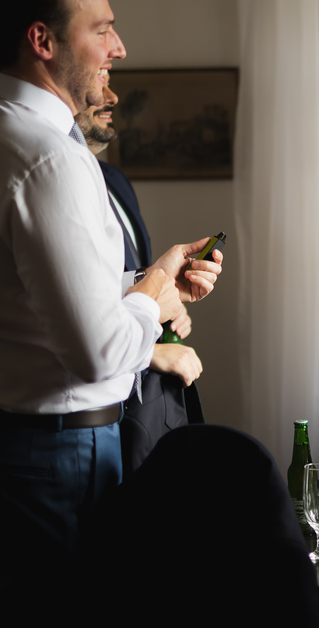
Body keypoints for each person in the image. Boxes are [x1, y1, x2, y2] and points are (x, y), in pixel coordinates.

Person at [0, 0, 223, 624]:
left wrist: (145, 281)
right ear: (43, 40)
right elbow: (96, 353)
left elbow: (17, 295)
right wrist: (153, 288)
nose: (119, 47)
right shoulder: (48, 158)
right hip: (54, 456)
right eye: (103, 29)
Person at [76, 84, 205, 476]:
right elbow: (72, 306)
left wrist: (168, 301)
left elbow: (120, 286)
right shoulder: (52, 181)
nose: (111, 98)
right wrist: (151, 352)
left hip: (144, 405)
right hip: (97, 407)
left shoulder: (115, 181)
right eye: (97, 81)